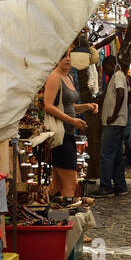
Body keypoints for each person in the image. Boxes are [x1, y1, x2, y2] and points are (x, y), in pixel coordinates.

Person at [43, 50, 97, 204]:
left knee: (58, 184)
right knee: (71, 183)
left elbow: (68, 105)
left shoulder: (69, 77)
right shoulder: (54, 77)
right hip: (61, 136)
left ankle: (47, 209)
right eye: (63, 56)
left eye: (69, 56)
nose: (67, 59)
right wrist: (72, 121)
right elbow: (48, 105)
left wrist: (85, 106)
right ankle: (67, 214)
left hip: (68, 134)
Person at [89, 54, 129, 197]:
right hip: (117, 122)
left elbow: (121, 94)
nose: (105, 72)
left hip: (114, 122)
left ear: (111, 65)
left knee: (106, 154)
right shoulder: (119, 76)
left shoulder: (118, 75)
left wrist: (114, 114)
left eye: (106, 69)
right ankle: (120, 185)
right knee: (116, 155)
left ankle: (106, 187)